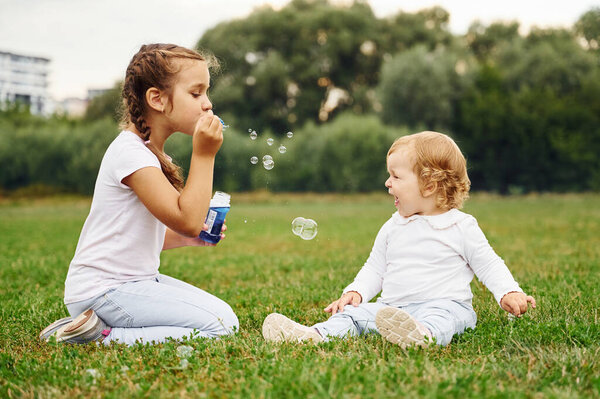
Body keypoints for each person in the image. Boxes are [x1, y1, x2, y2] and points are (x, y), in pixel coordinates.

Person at [39, 43, 238, 346]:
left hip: (130, 284)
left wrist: (188, 238)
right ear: (157, 99)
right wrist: (205, 154)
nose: (207, 104)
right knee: (222, 325)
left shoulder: (150, 155)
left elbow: (145, 233)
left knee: (223, 316)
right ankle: (98, 336)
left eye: (206, 93)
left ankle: (89, 326)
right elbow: (187, 218)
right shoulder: (130, 154)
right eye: (196, 93)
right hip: (105, 289)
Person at [262, 131, 536, 347]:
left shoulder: (460, 226)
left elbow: (488, 264)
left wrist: (508, 291)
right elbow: (375, 268)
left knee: (444, 319)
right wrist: (355, 292)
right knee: (354, 316)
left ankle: (424, 335)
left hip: (446, 305)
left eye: (395, 176)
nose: (387, 183)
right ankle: (315, 335)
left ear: (429, 186)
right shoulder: (393, 226)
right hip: (391, 310)